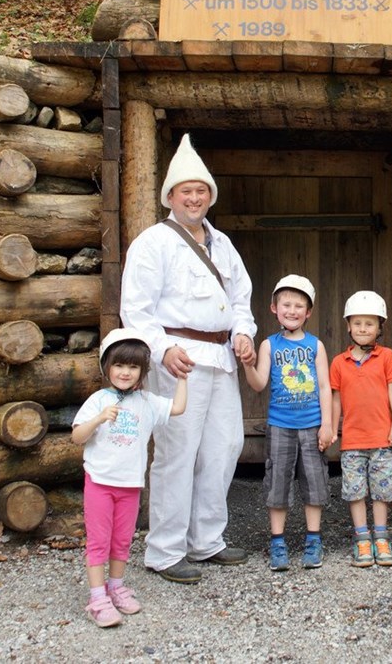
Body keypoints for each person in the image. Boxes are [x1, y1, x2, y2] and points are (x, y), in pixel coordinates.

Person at [120, 133, 257, 584]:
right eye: (186, 191)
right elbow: (136, 311)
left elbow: (241, 299)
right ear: (171, 197)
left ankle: (206, 541)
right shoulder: (153, 243)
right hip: (178, 360)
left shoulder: (223, 244)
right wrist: (162, 350)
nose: (195, 198)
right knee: (177, 454)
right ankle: (164, 551)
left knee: (225, 446)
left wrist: (242, 334)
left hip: (220, 358)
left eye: (201, 191)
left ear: (209, 197)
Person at [72, 328, 188, 627]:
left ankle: (116, 586)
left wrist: (183, 380)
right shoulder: (99, 400)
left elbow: (177, 408)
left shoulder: (146, 402)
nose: (125, 372)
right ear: (107, 367)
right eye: (119, 365)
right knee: (100, 541)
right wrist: (98, 419)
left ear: (141, 371)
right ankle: (98, 598)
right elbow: (76, 436)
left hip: (130, 485)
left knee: (122, 540)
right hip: (100, 482)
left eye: (133, 366)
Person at [246, 274, 333, 571]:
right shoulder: (269, 345)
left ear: (308, 312)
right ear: (274, 308)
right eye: (286, 304)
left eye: (299, 306)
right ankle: (277, 541)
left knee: (314, 481)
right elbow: (258, 383)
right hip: (280, 425)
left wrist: (328, 424)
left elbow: (324, 387)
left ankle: (313, 539)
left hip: (311, 424)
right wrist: (247, 363)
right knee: (277, 482)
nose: (292, 310)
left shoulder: (315, 345)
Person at [329, 290, 392, 568]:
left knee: (382, 491)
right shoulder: (339, 362)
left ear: (380, 327)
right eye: (358, 323)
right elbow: (335, 399)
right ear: (348, 325)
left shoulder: (386, 357)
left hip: (381, 438)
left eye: (369, 323)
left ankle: (381, 537)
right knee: (356, 491)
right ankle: (362, 538)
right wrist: (332, 429)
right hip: (352, 440)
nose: (363, 329)